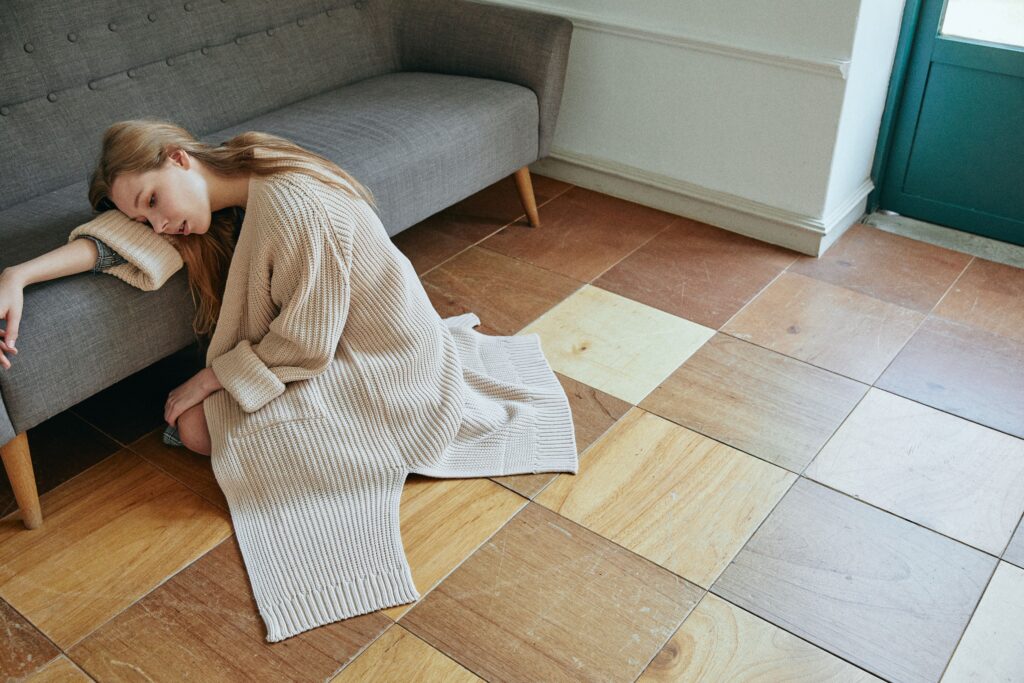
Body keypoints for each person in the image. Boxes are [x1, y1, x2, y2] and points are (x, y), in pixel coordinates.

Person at [0, 119, 578, 641]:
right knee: (205, 425)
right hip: (334, 347)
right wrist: (18, 275)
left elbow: (305, 343)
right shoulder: (243, 174)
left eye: (153, 201)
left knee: (201, 427)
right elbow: (119, 243)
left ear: (178, 157)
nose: (160, 224)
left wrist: (212, 378)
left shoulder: (290, 205)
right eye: (144, 218)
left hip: (381, 363)